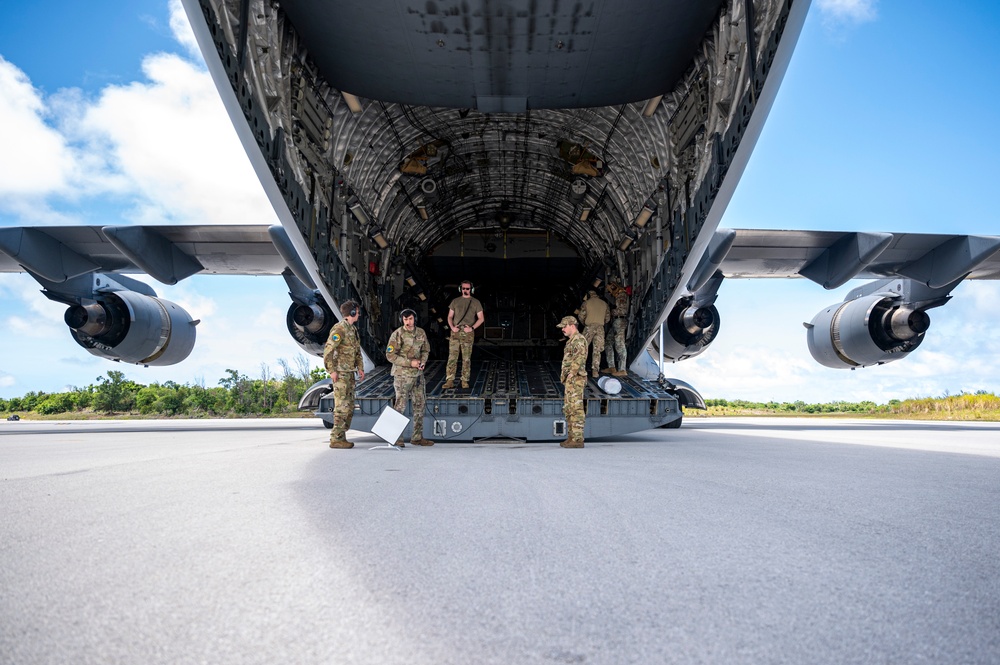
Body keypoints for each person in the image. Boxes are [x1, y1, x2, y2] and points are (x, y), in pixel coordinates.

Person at [385, 308, 434, 446]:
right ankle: (397, 438)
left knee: (420, 405)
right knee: (400, 406)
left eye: (410, 319)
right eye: (405, 319)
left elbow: (426, 349)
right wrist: (409, 363)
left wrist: (422, 362)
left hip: (418, 376)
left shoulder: (421, 333)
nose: (408, 322)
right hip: (402, 376)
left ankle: (417, 437)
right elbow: (390, 355)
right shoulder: (397, 334)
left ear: (414, 319)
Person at [323, 300, 365, 449]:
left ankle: (341, 436)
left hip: (349, 373)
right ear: (352, 313)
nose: (359, 315)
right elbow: (328, 351)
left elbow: (357, 351)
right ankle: (336, 438)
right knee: (342, 406)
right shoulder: (339, 328)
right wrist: (332, 371)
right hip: (340, 373)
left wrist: (360, 368)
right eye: (357, 312)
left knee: (349, 405)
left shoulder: (352, 330)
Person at [443, 280, 484, 390]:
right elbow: (450, 316)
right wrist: (452, 327)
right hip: (456, 331)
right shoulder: (455, 301)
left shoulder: (476, 302)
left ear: (471, 289)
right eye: (464, 288)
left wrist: (472, 328)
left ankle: (465, 380)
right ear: (461, 289)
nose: (466, 290)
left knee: (466, 358)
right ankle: (450, 380)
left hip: (468, 332)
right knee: (452, 357)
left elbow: (481, 318)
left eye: (468, 288)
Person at [557, 315, 588, 448]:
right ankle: (572, 437)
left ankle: (577, 439)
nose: (563, 329)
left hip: (576, 379)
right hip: (571, 380)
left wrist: (572, 373)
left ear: (572, 325)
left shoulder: (579, 340)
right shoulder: (571, 341)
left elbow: (580, 357)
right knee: (569, 408)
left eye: (564, 326)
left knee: (576, 408)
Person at [578, 289, 610, 378]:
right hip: (600, 328)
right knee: (597, 350)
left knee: (583, 348)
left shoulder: (586, 303)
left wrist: (585, 324)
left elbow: (581, 316)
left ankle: (581, 369)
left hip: (589, 327)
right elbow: (607, 318)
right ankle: (595, 371)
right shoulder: (604, 304)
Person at [602, 281, 629, 377]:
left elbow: (622, 310)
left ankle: (622, 369)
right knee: (608, 343)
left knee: (619, 345)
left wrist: (611, 311)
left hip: (620, 321)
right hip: (616, 322)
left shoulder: (622, 295)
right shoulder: (617, 296)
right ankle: (611, 366)